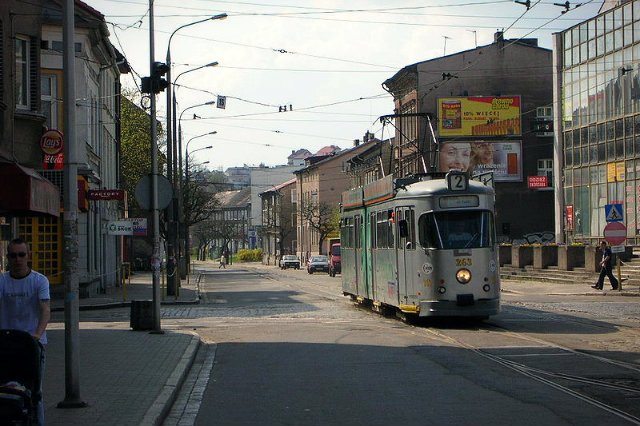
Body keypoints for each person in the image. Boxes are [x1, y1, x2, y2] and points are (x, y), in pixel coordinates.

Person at [0, 238, 50, 425]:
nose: (17, 259)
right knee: (5, 387)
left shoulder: (39, 281)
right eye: (13, 255)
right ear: (8, 257)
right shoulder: (2, 281)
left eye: (21, 255)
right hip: (5, 344)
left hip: (31, 344)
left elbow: (45, 309)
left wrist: (37, 334)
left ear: (28, 256)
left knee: (34, 391)